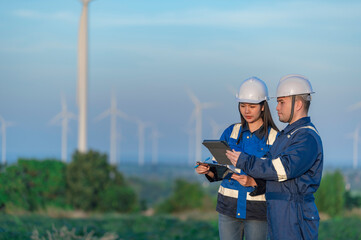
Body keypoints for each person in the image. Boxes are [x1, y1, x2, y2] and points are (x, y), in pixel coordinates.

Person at [226, 74, 323, 240]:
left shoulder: (306, 138)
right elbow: (270, 170)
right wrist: (255, 182)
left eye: (281, 102)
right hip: (280, 215)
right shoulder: (287, 136)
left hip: (295, 217)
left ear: (298, 104)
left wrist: (244, 160)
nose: (277, 107)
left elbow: (281, 169)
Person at [195, 77, 279, 240]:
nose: (246, 111)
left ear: (263, 106)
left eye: (252, 106)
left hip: (258, 211)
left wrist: (254, 182)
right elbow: (220, 168)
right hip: (228, 209)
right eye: (243, 105)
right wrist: (208, 170)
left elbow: (280, 177)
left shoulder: (275, 138)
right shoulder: (230, 132)